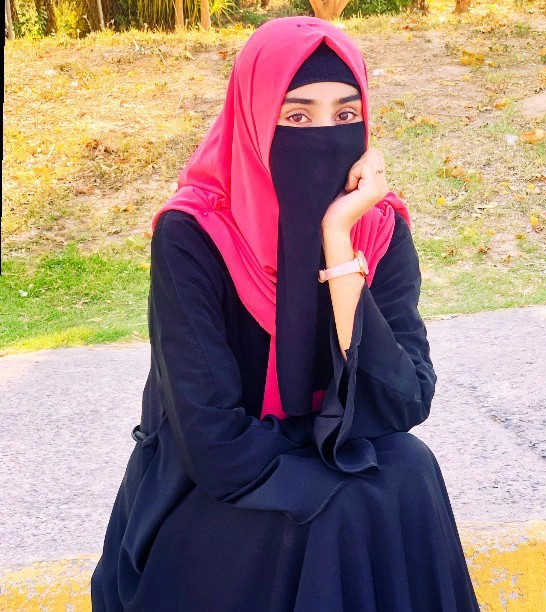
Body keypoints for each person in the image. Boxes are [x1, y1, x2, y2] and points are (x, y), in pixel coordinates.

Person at [91, 16, 481, 612]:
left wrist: (337, 242)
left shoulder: (377, 228)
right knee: (344, 507)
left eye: (345, 115)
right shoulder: (194, 234)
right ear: (254, 122)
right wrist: (326, 442)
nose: (324, 136)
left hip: (316, 448)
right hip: (204, 493)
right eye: (296, 117)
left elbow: (404, 401)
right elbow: (215, 447)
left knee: (410, 468)